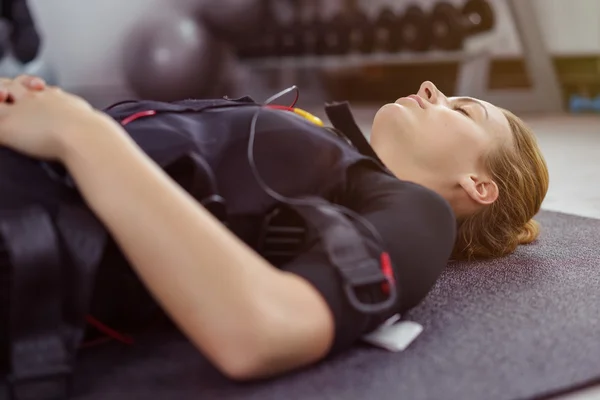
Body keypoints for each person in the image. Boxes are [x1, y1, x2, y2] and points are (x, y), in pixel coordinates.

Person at [0, 75, 548, 384]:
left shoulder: (416, 215)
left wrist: (80, 132)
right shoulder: (311, 137)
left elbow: (262, 332)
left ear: (479, 185)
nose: (432, 88)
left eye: (463, 110)